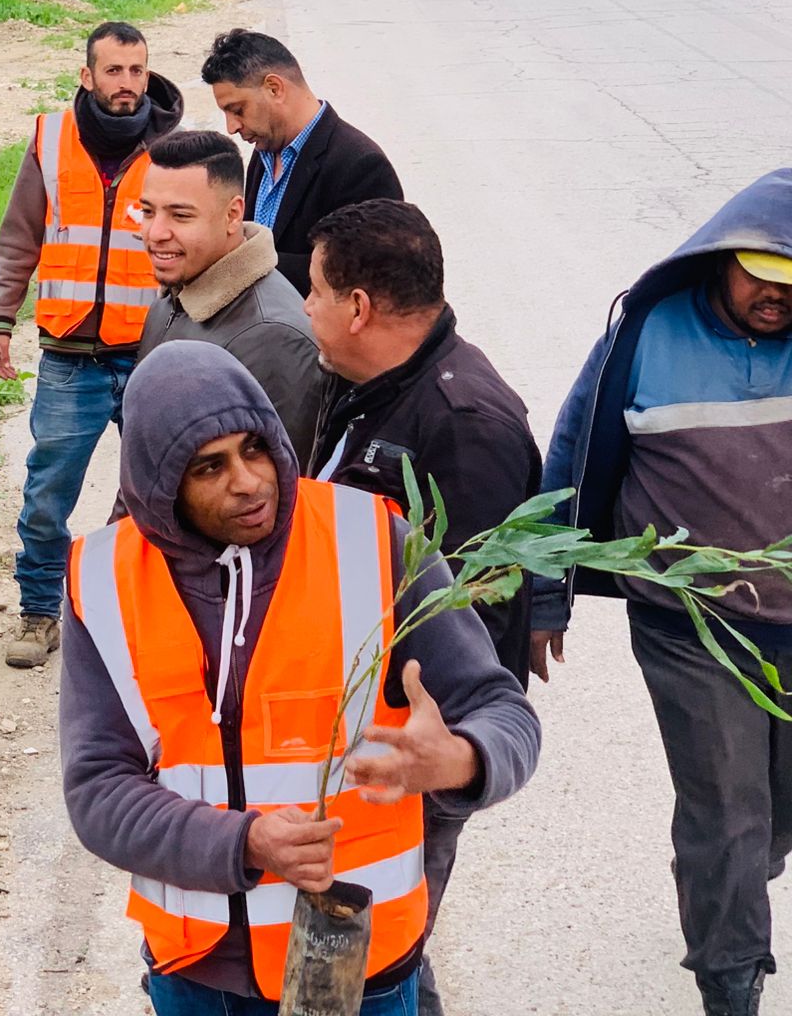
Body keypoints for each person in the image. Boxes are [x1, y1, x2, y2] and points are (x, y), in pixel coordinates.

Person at [60, 340, 540, 1016]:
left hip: (358, 967)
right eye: (209, 467)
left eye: (255, 449)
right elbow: (97, 791)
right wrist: (246, 843)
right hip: (196, 973)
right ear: (160, 484)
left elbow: (505, 713)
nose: (248, 481)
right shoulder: (104, 579)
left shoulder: (373, 540)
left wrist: (463, 759)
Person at [533, 170, 792, 1016]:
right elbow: (572, 457)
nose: (775, 296)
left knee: (769, 817)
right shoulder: (647, 333)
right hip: (691, 624)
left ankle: (731, 868)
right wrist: (547, 593)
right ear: (722, 259)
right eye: (759, 274)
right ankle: (731, 983)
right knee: (728, 807)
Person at [300, 198, 541, 1016]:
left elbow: (471, 620)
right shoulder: (371, 384)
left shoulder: (463, 424)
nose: (306, 308)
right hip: (349, 733)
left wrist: (432, 756)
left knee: (367, 958)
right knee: (357, 950)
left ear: (358, 307)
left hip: (408, 754)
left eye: (314, 291)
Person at [0, 21, 184, 669]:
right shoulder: (51, 140)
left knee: (161, 493)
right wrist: (0, 318)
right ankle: (40, 614)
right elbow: (20, 236)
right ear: (87, 75)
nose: (128, 83)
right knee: (47, 497)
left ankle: (135, 612)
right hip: (70, 356)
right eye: (114, 71)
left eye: (137, 71)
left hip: (152, 356)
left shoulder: (175, 152)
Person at [134, 128, 323, 464]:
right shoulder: (175, 295)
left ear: (233, 215)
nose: (156, 233)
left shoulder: (273, 336)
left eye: (180, 216)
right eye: (148, 212)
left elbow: (278, 481)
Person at [201, 29, 402, 295]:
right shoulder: (264, 149)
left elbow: (363, 276)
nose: (231, 127)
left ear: (274, 88)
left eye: (238, 110)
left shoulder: (361, 166)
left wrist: (242, 263)